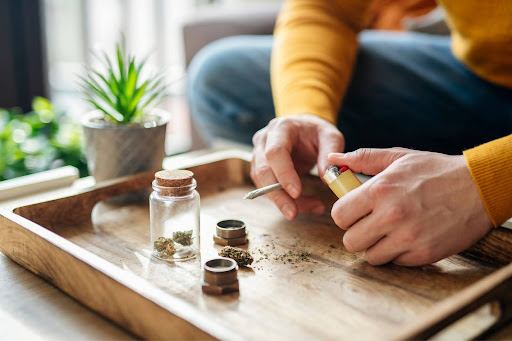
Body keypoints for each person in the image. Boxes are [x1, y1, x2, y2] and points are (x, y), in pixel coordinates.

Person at [187, 1, 512, 266]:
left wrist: (484, 180)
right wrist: (305, 111)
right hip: (488, 80)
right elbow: (326, 8)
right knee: (220, 78)